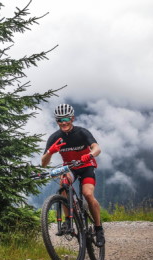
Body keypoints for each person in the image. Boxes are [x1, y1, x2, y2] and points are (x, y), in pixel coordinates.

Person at [41, 103, 105, 247]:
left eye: (67, 119)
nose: (64, 123)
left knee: (87, 194)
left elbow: (97, 148)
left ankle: (98, 228)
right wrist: (50, 152)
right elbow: (43, 163)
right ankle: (68, 220)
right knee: (64, 183)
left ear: (72, 118)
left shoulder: (82, 133)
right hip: (71, 168)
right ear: (57, 121)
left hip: (87, 166)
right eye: (60, 120)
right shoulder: (55, 137)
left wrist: (89, 155)